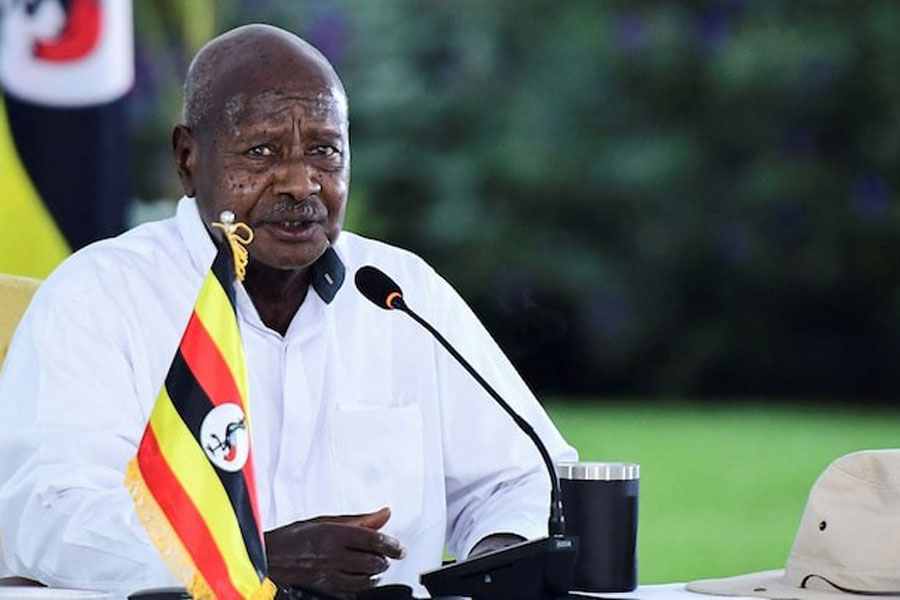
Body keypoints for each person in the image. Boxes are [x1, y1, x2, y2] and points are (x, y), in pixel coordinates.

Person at [0, 24, 576, 599]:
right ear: (187, 158)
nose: (302, 183)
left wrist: (496, 564)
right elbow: (52, 516)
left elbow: (528, 477)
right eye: (261, 152)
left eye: (325, 151)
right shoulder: (101, 296)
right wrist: (253, 561)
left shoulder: (400, 293)